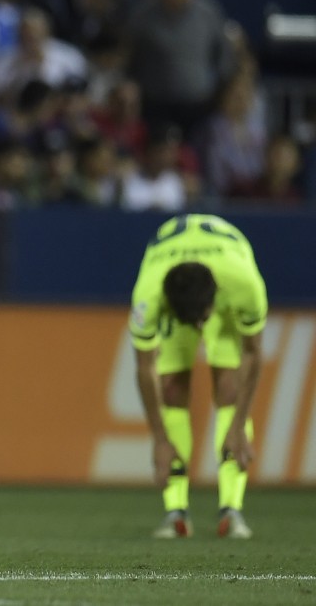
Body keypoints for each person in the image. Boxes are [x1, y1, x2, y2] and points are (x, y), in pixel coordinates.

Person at [129, 214, 267, 540]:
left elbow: (253, 354)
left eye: (202, 319)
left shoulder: (244, 284)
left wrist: (239, 425)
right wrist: (160, 440)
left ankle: (231, 510)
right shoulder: (148, 297)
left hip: (225, 261)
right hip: (173, 267)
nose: (199, 330)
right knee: (171, 387)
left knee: (230, 385)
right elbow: (144, 367)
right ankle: (175, 512)